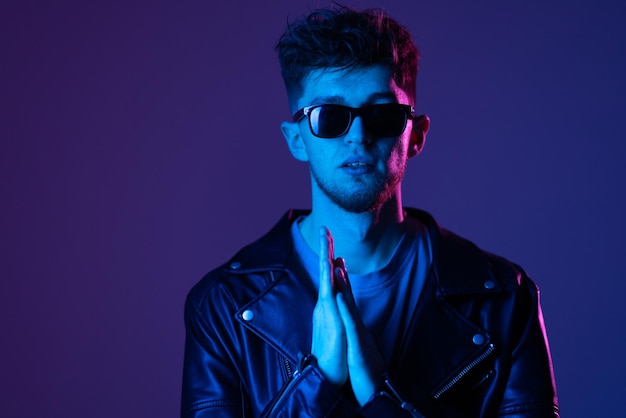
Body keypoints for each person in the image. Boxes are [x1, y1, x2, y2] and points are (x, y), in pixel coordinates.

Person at [181, 5, 559, 417]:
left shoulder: (505, 297)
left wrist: (381, 393)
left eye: (382, 114)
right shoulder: (223, 306)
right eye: (329, 117)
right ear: (296, 140)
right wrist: (320, 380)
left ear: (416, 135)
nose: (359, 135)